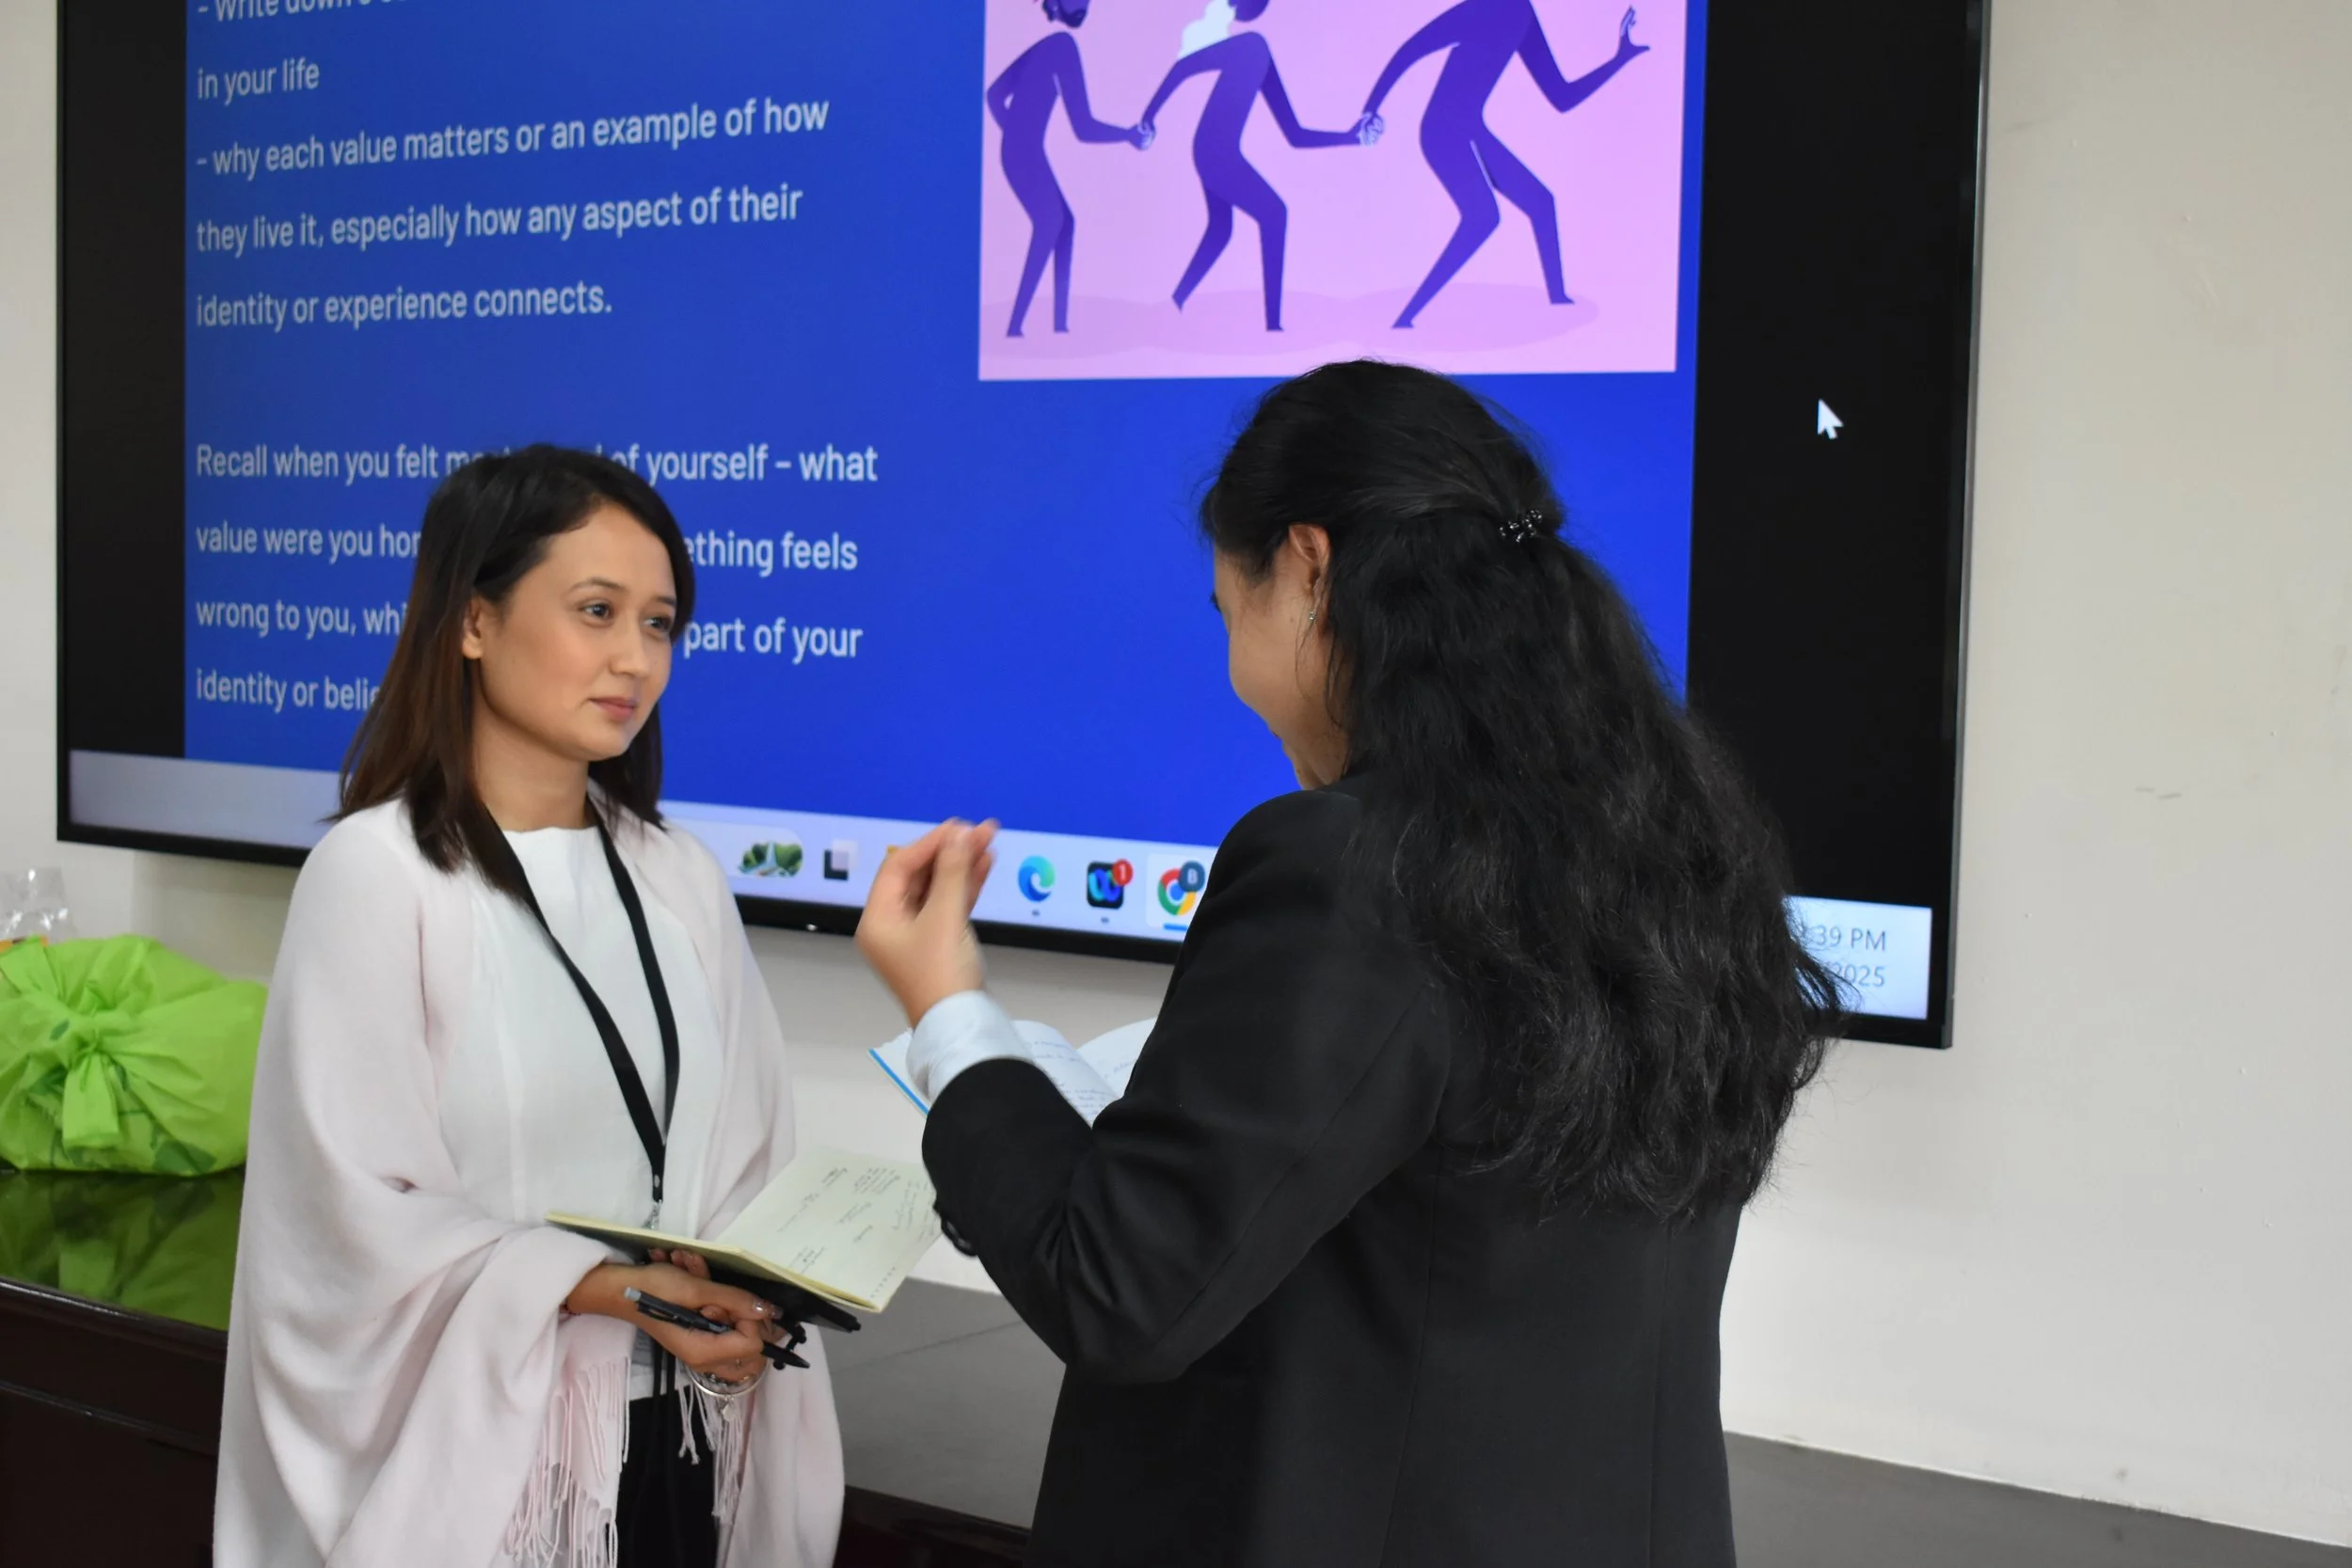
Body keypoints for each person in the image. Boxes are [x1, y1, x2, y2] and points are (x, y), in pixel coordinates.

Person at [856, 360, 1836, 1566]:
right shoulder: (1680, 853)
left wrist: (948, 1010)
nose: (1234, 669)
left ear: (1310, 571)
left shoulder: (1355, 868)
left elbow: (1117, 1287)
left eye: (1228, 610)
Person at [216, 447, 842, 1568]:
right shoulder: (381, 872)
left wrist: (756, 1279)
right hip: (489, 1465)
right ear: (472, 622)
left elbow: (750, 1152)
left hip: (682, 1431)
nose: (633, 657)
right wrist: (604, 1288)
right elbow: (346, 1219)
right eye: (595, 610)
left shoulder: (678, 872)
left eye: (659, 624)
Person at [1360, 3, 1649, 326]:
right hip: (1441, 132)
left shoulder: (1521, 13)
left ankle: (1558, 303)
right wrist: (1371, 109)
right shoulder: (1480, 8)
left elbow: (1561, 96)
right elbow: (1410, 50)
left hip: (1468, 128)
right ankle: (1405, 319)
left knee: (1541, 203)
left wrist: (1619, 60)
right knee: (1483, 217)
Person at [1135, 0, 1374, 332]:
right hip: (1215, 153)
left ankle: (1176, 302)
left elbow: (1295, 134)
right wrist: (1148, 116)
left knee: (1221, 230)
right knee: (1274, 214)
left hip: (1211, 151)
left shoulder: (1259, 53)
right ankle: (1273, 325)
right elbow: (1182, 68)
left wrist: (1352, 137)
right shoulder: (1250, 45)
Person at [987, 0, 1150, 338]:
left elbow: (993, 96)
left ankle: (1060, 324)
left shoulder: (1049, 44)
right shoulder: (1062, 46)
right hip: (1023, 153)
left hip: (1021, 150)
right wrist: (1128, 136)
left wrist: (1015, 133)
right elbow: (1084, 128)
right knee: (1050, 223)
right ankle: (1016, 325)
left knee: (1066, 223)